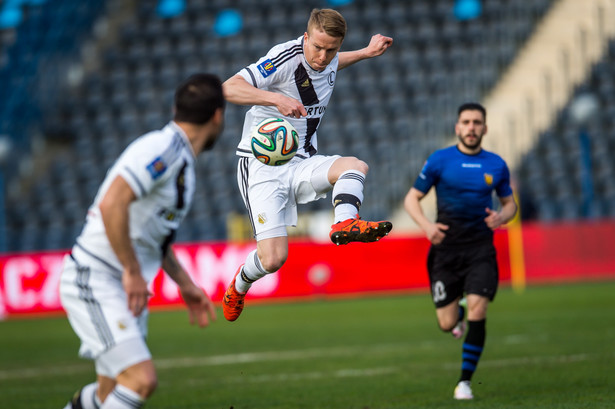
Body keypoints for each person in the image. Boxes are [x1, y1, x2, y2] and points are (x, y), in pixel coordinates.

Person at [60, 73, 224, 409]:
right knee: (140, 380)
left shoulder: (182, 162)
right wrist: (132, 271)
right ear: (218, 116)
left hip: (121, 284)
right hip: (98, 277)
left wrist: (186, 284)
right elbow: (112, 203)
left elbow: (153, 237)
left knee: (108, 391)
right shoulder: (161, 148)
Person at [221, 8, 394, 322]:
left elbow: (332, 65)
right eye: (317, 47)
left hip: (301, 160)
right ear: (305, 37)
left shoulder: (328, 58)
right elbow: (229, 87)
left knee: (354, 166)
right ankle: (238, 285)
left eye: (331, 49)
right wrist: (276, 99)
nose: (323, 56)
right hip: (262, 166)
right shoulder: (284, 58)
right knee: (273, 259)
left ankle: (344, 222)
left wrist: (366, 53)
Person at [404, 102, 517, 400]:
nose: (471, 127)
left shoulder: (496, 164)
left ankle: (464, 382)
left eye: (477, 122)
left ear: (485, 128)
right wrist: (427, 227)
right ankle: (459, 312)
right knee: (446, 323)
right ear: (457, 127)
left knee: (481, 309)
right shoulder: (440, 161)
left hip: (480, 249)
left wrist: (502, 217)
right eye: (466, 122)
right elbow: (411, 200)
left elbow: (509, 204)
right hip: (445, 250)